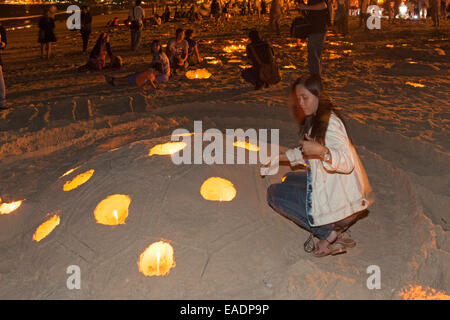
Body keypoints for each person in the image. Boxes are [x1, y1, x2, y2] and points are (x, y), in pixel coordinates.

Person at [262, 75, 373, 257]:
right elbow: (308, 151)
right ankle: (336, 227)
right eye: (298, 99)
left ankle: (328, 234)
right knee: (289, 178)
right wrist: (280, 158)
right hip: (340, 194)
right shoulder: (318, 119)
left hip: (344, 206)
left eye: (305, 97)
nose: (300, 103)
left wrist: (322, 151)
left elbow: (346, 162)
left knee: (274, 193)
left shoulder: (331, 125)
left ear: (318, 95)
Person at [296, 0, 329, 77]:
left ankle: (315, 77)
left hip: (318, 29)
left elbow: (323, 5)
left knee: (313, 55)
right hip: (315, 29)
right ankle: (316, 76)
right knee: (316, 55)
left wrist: (306, 7)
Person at [0, 23, 7, 109]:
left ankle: (2, 102)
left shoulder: (1, 28)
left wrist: (2, 44)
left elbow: (4, 43)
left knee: (0, 82)